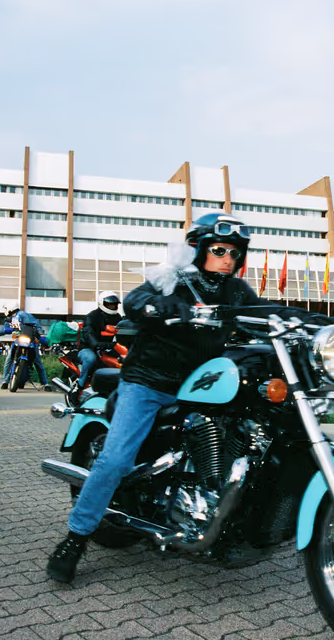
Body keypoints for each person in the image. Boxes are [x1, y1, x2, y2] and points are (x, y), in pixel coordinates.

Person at [46, 212, 273, 583]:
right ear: (199, 249)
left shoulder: (235, 291)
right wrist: (164, 307)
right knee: (115, 460)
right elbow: (136, 300)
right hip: (149, 382)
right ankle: (75, 538)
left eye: (234, 252)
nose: (228, 258)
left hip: (200, 385)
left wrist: (320, 323)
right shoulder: (173, 277)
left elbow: (266, 313)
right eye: (219, 250)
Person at [0, 306, 51, 391]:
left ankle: (45, 383)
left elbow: (38, 328)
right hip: (19, 341)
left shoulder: (21, 316)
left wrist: (42, 338)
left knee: (37, 362)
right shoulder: (14, 320)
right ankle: (5, 381)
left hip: (31, 341)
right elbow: (6, 330)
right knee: (10, 359)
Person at [76, 291, 123, 390]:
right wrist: (96, 343)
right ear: (102, 303)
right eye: (110, 304)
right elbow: (89, 334)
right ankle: (79, 386)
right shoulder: (92, 316)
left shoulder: (118, 318)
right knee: (90, 358)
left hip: (108, 348)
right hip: (89, 348)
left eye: (115, 304)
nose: (113, 306)